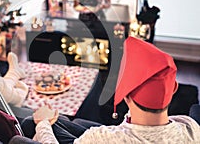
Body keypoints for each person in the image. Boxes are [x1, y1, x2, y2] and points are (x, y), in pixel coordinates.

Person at [24, 36, 200, 143]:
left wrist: (43, 125)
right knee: (72, 122)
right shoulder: (191, 128)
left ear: (126, 95)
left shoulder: (102, 138)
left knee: (31, 124)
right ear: (173, 89)